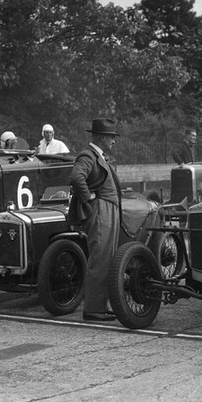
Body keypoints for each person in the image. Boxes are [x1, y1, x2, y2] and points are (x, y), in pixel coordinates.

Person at [68, 118, 123, 322]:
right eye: (111, 137)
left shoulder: (98, 155)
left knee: (107, 260)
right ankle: (93, 309)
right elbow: (76, 177)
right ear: (101, 137)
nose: (114, 141)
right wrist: (88, 197)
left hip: (107, 211)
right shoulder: (88, 155)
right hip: (101, 212)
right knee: (100, 260)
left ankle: (101, 306)